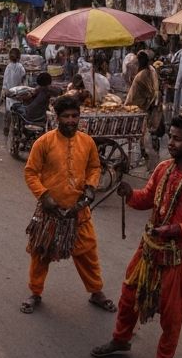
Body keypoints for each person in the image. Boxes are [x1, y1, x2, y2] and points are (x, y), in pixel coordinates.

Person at [92, 115, 182, 358]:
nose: (170, 143)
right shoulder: (163, 168)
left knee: (171, 314)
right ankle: (121, 339)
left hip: (178, 257)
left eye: (176, 139)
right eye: (170, 137)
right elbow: (146, 199)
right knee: (128, 295)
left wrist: (178, 230)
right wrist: (129, 194)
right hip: (149, 249)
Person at [21, 94, 115, 315]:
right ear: (57, 118)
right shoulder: (43, 143)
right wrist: (44, 196)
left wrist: (91, 188)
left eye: (75, 116)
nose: (71, 120)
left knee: (87, 252)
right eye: (66, 116)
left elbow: (94, 167)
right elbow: (31, 173)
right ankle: (35, 292)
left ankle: (96, 292)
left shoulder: (87, 142)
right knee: (41, 253)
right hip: (50, 212)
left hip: (78, 211)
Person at [1, 47, 26, 135]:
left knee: (8, 110)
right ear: (19, 57)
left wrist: (4, 90)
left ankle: (6, 127)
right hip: (18, 91)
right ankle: (15, 127)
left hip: (9, 91)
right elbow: (23, 76)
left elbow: (5, 80)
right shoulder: (20, 67)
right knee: (17, 110)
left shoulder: (8, 67)